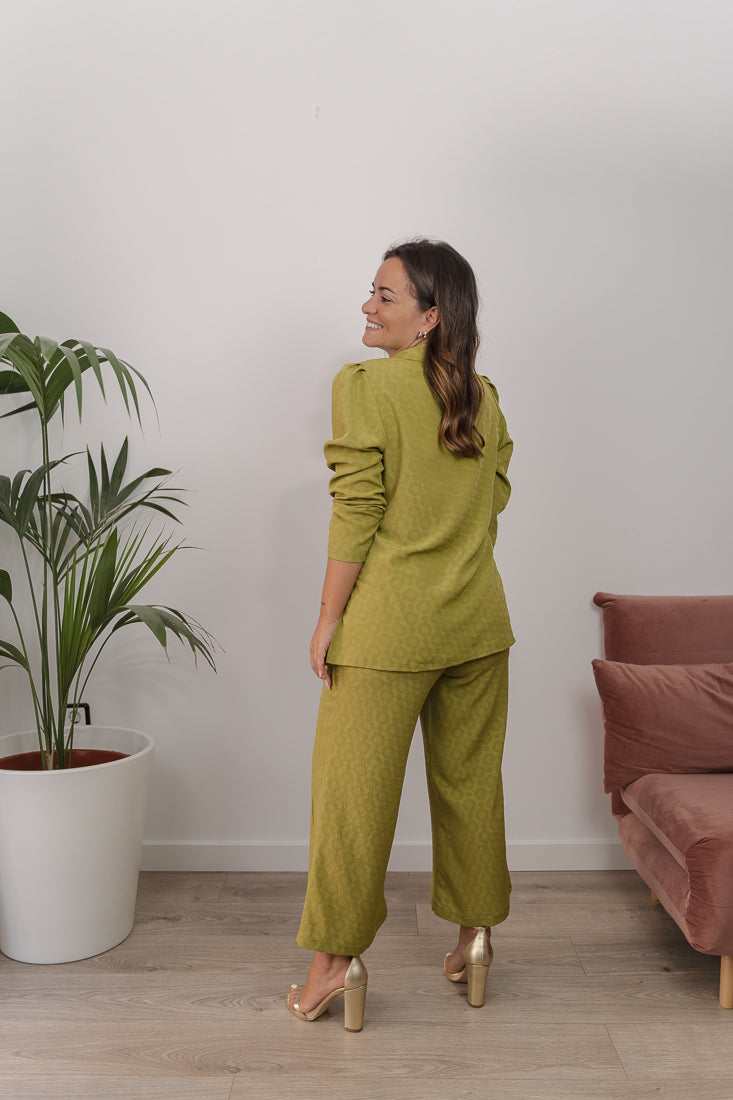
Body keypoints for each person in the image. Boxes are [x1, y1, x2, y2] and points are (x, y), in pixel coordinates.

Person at [287, 239, 514, 1031]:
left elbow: (357, 508)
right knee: (469, 787)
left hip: (387, 632)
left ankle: (332, 964)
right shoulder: (482, 397)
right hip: (478, 623)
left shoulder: (367, 387)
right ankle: (475, 940)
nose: (367, 306)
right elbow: (493, 497)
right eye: (371, 291)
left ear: (429, 317)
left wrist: (326, 620)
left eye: (385, 296)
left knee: (351, 801)